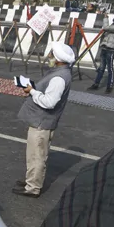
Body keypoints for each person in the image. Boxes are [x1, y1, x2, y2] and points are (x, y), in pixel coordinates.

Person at [13, 43, 75, 198]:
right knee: (33, 154)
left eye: (52, 54)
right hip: (40, 121)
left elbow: (49, 102)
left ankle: (33, 187)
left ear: (59, 59)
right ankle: (31, 180)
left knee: (37, 156)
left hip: (42, 123)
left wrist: (32, 91)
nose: (49, 56)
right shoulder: (60, 72)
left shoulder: (59, 78)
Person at [88, 12, 114, 94]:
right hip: (105, 47)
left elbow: (105, 28)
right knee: (101, 68)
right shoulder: (113, 24)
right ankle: (96, 84)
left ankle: (109, 86)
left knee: (110, 68)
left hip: (111, 49)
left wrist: (105, 18)